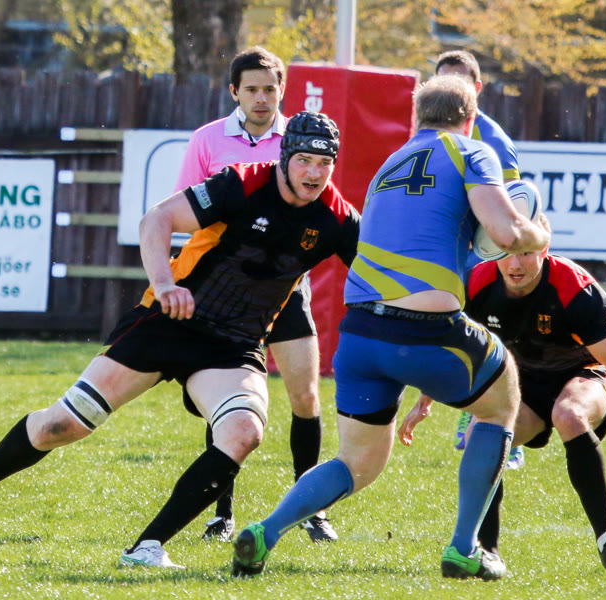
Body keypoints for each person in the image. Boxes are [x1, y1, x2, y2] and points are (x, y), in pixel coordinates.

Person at [0, 111, 360, 569]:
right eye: (304, 160)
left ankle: (147, 548)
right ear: (284, 158)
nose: (314, 173)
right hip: (169, 322)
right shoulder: (242, 183)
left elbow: (378, 274)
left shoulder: (338, 218)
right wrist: (164, 285)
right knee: (59, 427)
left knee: (244, 431)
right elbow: (157, 219)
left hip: (234, 344)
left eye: (325, 163)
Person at [231, 75, 550, 581]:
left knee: (358, 463)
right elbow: (506, 232)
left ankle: (265, 530)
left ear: (417, 118)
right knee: (501, 396)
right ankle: (464, 548)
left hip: (360, 334)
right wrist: (538, 232)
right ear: (470, 118)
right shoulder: (472, 150)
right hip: (425, 330)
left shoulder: (391, 161)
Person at [399, 214, 606, 576]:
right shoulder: (479, 283)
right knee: (480, 436)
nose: (515, 264)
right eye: (507, 251)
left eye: (527, 252)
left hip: (582, 377)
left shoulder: (574, 288)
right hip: (523, 384)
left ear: (544, 250)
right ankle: (486, 553)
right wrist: (425, 400)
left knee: (569, 415)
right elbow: (451, 346)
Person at [174, 46, 337, 543]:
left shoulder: (302, 140)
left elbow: (324, 207)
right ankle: (221, 513)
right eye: (252, 90)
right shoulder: (206, 140)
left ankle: (312, 511)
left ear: (282, 90)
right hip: (226, 294)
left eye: (270, 89)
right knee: (228, 402)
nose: (262, 98)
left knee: (305, 396)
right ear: (234, 92)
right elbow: (184, 211)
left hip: (286, 289)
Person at [433, 50, 524, 460]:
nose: (451, 91)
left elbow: (512, 207)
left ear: (478, 88)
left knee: (493, 337)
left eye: (460, 82)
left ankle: (505, 429)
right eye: (443, 82)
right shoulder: (427, 133)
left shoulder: (493, 140)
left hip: (482, 256)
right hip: (442, 254)